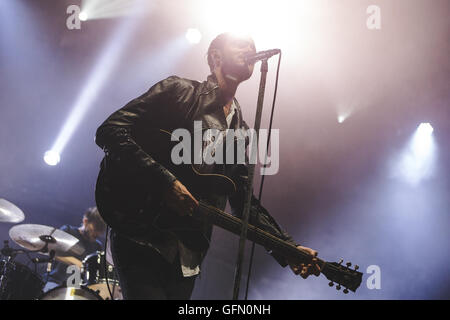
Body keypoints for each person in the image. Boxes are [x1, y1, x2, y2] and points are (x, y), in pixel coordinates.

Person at [95, 32, 321, 300]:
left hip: (188, 253)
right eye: (241, 44)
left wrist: (288, 247)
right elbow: (111, 130)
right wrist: (165, 182)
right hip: (141, 232)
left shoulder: (240, 131)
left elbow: (244, 203)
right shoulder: (179, 91)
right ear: (216, 56)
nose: (250, 48)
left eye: (253, 46)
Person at [42, 207, 106, 292]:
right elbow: (50, 252)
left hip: (78, 289)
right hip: (55, 282)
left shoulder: (97, 246)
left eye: (99, 233)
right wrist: (76, 262)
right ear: (85, 221)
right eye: (94, 230)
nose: (96, 234)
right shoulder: (68, 231)